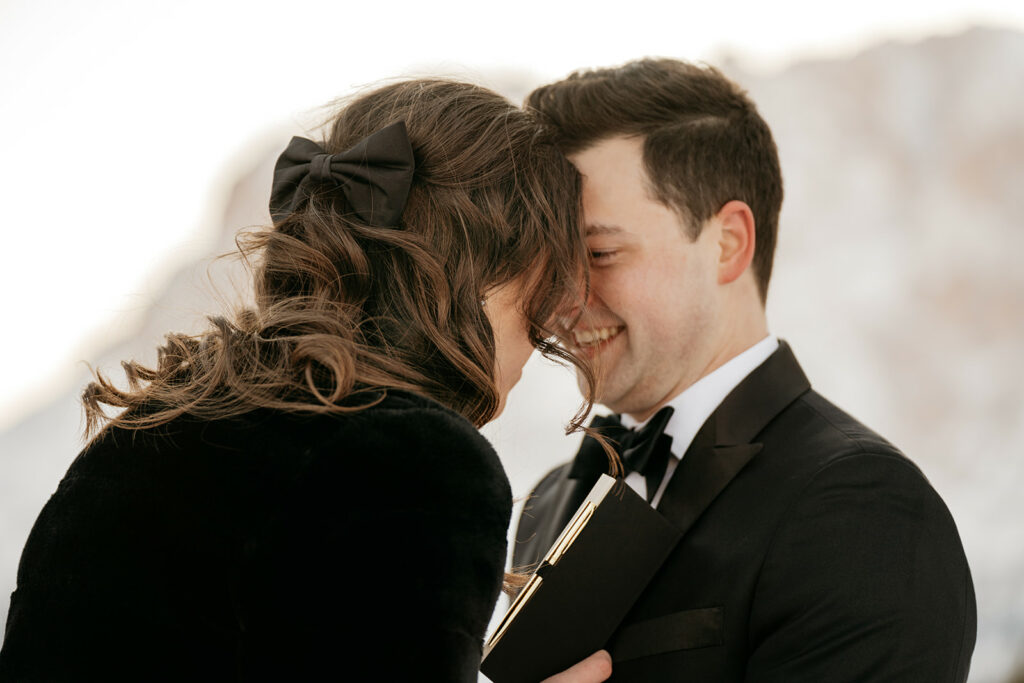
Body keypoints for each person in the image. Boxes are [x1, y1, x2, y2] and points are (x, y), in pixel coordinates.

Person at [0, 79, 611, 682]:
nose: (554, 324)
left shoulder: (146, 429)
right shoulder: (414, 460)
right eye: (544, 288)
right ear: (479, 271)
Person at [514, 59, 976, 681]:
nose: (563, 300)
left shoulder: (862, 512)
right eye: (550, 262)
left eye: (600, 254)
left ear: (728, 242)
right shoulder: (551, 499)